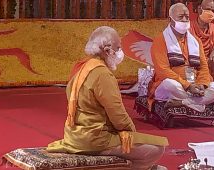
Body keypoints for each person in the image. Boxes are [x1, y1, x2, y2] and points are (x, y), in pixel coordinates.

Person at [47, 26, 168, 170]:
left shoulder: (80, 67)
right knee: (158, 147)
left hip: (73, 137)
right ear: (107, 50)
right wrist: (130, 132)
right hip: (96, 140)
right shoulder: (102, 74)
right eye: (118, 48)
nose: (120, 53)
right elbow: (117, 114)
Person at [148, 3, 214, 112]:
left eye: (187, 17)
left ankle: (183, 102)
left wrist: (202, 85)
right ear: (170, 20)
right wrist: (188, 86)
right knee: (170, 84)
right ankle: (201, 102)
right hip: (173, 87)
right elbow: (162, 71)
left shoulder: (195, 41)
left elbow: (203, 67)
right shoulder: (160, 41)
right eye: (180, 17)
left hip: (194, 86)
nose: (184, 20)